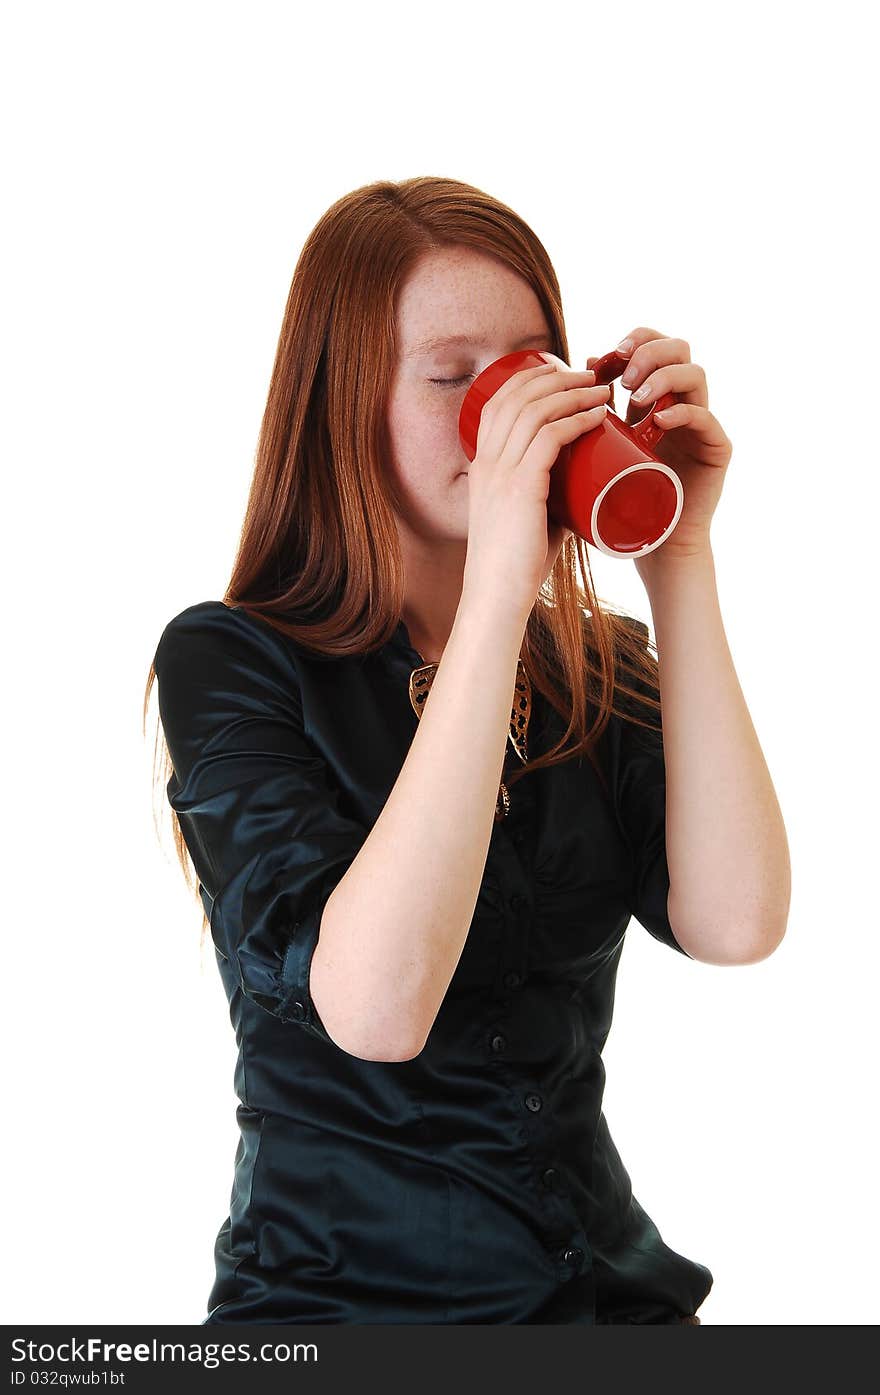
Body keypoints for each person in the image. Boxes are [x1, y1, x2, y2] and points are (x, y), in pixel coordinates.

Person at [144, 176, 789, 1325]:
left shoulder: (596, 665)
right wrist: (498, 587)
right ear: (343, 404)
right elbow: (376, 1009)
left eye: (534, 375)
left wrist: (679, 560)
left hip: (604, 1301)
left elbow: (735, 924)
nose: (507, 420)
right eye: (455, 380)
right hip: (342, 1314)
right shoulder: (232, 662)